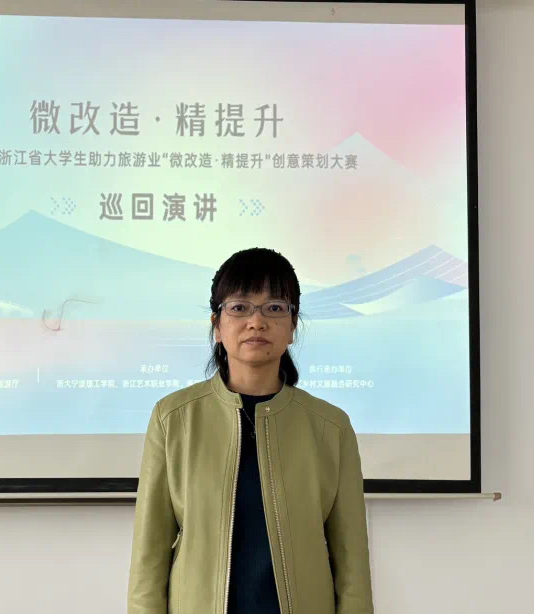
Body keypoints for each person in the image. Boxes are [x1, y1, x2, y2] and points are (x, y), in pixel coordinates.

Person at [127, 247, 374, 614]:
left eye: (274, 308)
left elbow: (352, 563)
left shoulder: (330, 427)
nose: (256, 322)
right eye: (240, 307)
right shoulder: (173, 418)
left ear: (293, 326)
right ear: (217, 324)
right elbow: (149, 555)